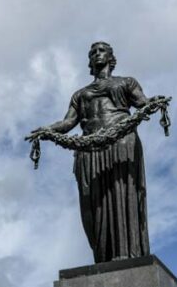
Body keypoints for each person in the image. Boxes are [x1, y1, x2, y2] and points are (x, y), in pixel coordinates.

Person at [27, 41, 151, 263]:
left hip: (121, 142)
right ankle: (103, 257)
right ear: (89, 61)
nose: (96, 54)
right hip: (89, 148)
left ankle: (127, 254)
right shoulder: (80, 94)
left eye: (101, 50)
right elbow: (67, 123)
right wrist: (47, 130)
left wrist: (155, 104)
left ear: (111, 58)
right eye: (92, 52)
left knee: (122, 194)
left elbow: (143, 103)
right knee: (92, 205)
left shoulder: (126, 82)